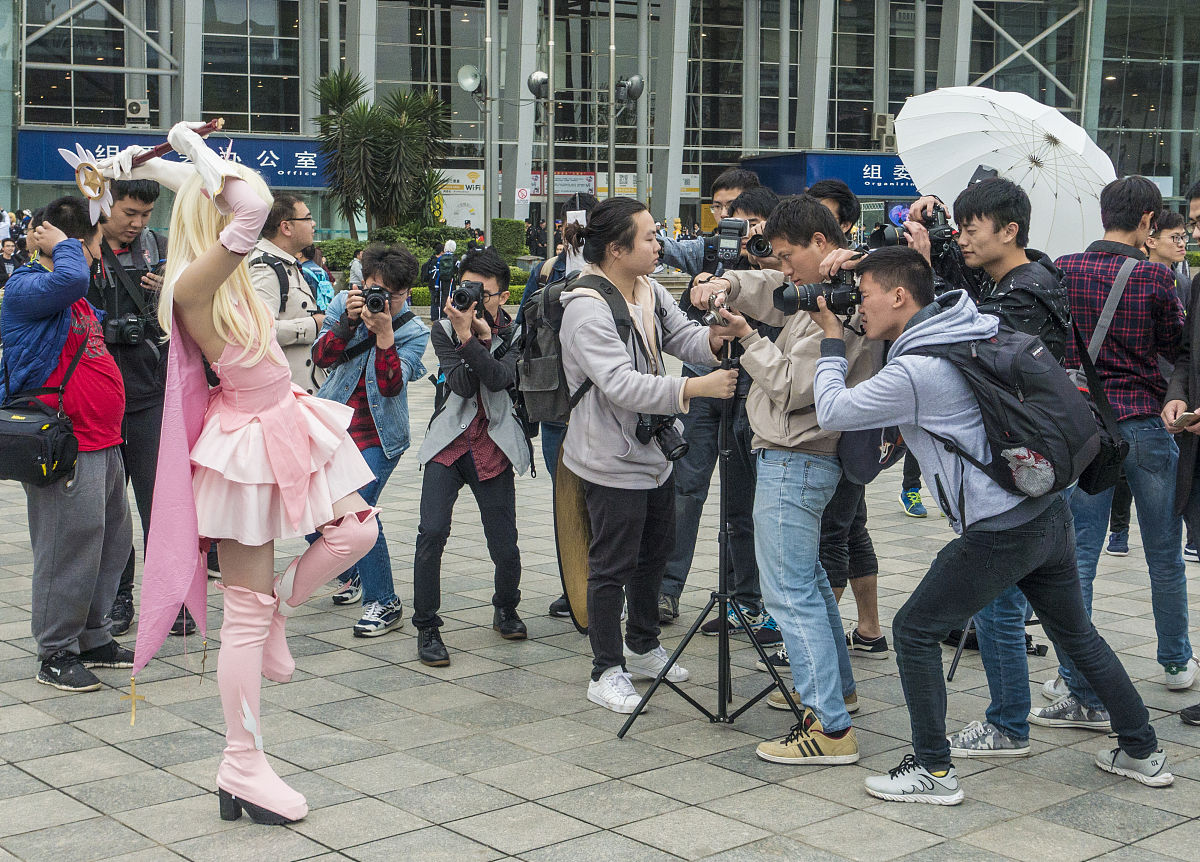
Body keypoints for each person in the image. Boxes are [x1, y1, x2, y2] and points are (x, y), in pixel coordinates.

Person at [811, 244, 1173, 803]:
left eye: (863, 295)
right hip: (1046, 510)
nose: (857, 305)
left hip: (1000, 527)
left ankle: (933, 772)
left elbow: (833, 411)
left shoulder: (919, 369)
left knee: (913, 629)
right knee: (1077, 634)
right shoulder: (972, 323)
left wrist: (832, 339)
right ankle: (1143, 751)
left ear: (899, 296)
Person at [122, 123, 380, 825]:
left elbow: (232, 200)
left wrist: (178, 161)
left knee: (357, 530)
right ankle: (241, 764)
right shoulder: (195, 284)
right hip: (248, 438)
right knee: (242, 615)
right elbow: (254, 203)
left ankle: (277, 611)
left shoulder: (222, 273)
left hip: (283, 418)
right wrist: (189, 144)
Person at [693, 195, 872, 765]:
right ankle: (835, 693)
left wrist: (746, 338)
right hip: (805, 458)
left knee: (787, 594)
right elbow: (768, 287)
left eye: (789, 256)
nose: (785, 270)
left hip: (797, 455)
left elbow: (796, 388)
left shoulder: (838, 303)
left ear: (822, 243)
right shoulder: (824, 288)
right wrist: (723, 288)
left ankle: (830, 728)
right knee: (810, 582)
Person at [557, 196, 737, 713]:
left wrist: (717, 338)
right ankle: (605, 670)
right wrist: (695, 389)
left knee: (655, 553)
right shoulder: (586, 307)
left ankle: (642, 645)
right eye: (650, 238)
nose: (660, 245)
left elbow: (684, 338)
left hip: (653, 453)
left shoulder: (649, 288)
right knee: (610, 565)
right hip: (608, 458)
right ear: (616, 249)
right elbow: (619, 385)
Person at [917, 177, 1073, 755]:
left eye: (970, 229)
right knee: (1061, 611)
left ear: (1010, 231)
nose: (961, 239)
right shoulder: (1025, 279)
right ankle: (1099, 705)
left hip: (1023, 466)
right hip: (1034, 459)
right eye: (956, 228)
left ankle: (1008, 722)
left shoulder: (1024, 293)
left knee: (1000, 604)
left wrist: (928, 270)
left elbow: (971, 347)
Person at [1046, 177, 1193, 726]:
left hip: (1086, 431)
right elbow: (1176, 347)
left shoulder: (1062, 268)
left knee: (1079, 554)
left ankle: (1075, 675)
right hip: (1148, 426)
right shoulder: (1157, 275)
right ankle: (1176, 660)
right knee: (1163, 552)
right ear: (1149, 222)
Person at [0, 198, 134, 692]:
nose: (101, 254)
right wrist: (63, 245)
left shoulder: (72, 294)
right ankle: (55, 651)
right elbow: (72, 278)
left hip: (103, 439)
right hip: (65, 444)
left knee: (110, 542)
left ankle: (92, 636)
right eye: (94, 245)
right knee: (67, 549)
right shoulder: (27, 286)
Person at [659, 185, 783, 649]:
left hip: (752, 384)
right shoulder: (712, 249)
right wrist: (700, 287)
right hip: (704, 380)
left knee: (742, 497)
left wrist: (760, 264)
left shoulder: (777, 259)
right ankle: (666, 591)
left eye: (751, 221)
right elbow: (666, 251)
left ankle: (745, 598)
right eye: (728, 215)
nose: (740, 229)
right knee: (685, 487)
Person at [412, 247, 530, 665]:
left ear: (502, 296)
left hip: (494, 445)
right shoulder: (443, 329)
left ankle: (506, 605)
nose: (475, 300)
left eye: (486, 293)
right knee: (431, 532)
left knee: (505, 544)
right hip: (449, 443)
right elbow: (461, 385)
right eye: (468, 289)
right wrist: (467, 335)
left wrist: (476, 339)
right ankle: (426, 626)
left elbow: (499, 378)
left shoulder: (517, 333)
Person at [84, 175, 185, 637]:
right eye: (129, 213)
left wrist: (170, 290)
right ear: (105, 205)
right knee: (110, 511)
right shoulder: (79, 253)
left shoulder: (159, 248)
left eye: (145, 215)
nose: (138, 223)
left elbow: (188, 313)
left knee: (158, 505)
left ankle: (174, 598)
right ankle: (117, 598)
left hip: (149, 395)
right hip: (98, 402)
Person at [312, 243, 429, 637]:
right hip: (331, 426)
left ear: (406, 293)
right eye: (373, 288)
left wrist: (384, 338)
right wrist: (348, 323)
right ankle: (352, 568)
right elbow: (321, 358)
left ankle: (385, 600)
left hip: (379, 436)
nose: (380, 299)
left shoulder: (414, 330)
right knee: (310, 512)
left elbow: (391, 386)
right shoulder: (344, 303)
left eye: (391, 295)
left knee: (357, 513)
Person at [516, 193, 600, 619]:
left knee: (601, 499)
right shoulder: (545, 270)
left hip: (602, 400)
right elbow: (521, 328)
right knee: (566, 498)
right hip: (555, 402)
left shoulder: (612, 268)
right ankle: (574, 588)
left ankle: (605, 588)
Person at [1108, 210, 1195, 558]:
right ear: (1150, 239)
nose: (1183, 243)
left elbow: (1187, 346)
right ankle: (1119, 529)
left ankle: (1189, 534)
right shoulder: (1139, 278)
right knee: (1122, 474)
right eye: (1175, 237)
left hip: (1172, 389)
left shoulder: (1185, 283)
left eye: (1184, 236)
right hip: (1141, 393)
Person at [1166, 181, 1200, 727]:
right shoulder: (1195, 285)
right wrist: (1175, 394)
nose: (1195, 232)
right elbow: (1183, 354)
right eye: (1194, 221)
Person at [249, 195, 325, 394]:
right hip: (285, 395)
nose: (313, 224)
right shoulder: (265, 268)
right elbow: (258, 333)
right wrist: (313, 326)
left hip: (299, 390)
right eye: (307, 218)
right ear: (286, 228)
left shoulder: (283, 263)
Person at [297, 244, 335, 311]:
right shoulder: (322, 271)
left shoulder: (301, 271)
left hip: (308, 309)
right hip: (323, 308)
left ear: (300, 254)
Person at [430, 240, 457, 322]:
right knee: (450, 296)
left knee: (442, 298)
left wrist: (437, 284)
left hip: (441, 280)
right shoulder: (455, 258)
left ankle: (442, 316)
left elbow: (438, 271)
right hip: (451, 280)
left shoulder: (441, 258)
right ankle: (450, 316)